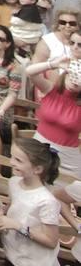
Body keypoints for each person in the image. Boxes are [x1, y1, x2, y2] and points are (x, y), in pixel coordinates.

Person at [0, 137, 62, 266]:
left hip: (35, 265)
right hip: (13, 256)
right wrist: (2, 211)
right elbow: (15, 206)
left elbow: (51, 241)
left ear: (38, 169)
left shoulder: (46, 201)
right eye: (12, 157)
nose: (11, 162)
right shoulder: (14, 182)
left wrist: (17, 226)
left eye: (18, 160)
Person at [26, 44, 81, 177]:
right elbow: (29, 72)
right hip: (38, 150)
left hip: (68, 159)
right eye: (72, 76)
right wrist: (54, 64)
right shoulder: (50, 90)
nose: (74, 81)